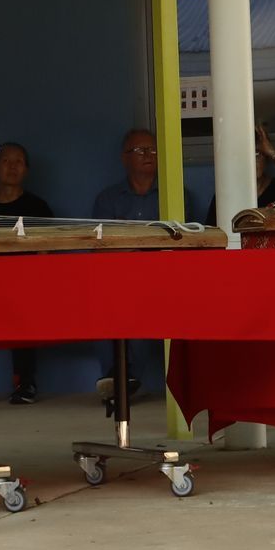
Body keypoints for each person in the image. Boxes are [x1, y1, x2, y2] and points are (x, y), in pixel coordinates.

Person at [88, 127, 199, 399]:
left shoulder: (175, 195)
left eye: (152, 150)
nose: (148, 155)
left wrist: (134, 247)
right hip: (119, 278)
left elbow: (180, 242)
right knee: (102, 302)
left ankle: (127, 378)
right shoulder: (108, 198)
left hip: (164, 277)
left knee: (140, 304)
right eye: (140, 150)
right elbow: (101, 247)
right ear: (124, 158)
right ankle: (117, 375)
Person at [0, 142, 53, 404]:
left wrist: (36, 285)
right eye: (6, 161)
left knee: (23, 314)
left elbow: (44, 254)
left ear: (26, 169)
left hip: (25, 283)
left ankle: (25, 383)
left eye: (19, 161)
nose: (13, 166)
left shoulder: (39, 208)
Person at [206, 123, 275, 226]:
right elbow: (212, 233)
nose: (253, 161)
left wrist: (272, 152)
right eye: (247, 155)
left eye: (257, 154)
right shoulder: (227, 195)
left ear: (266, 158)